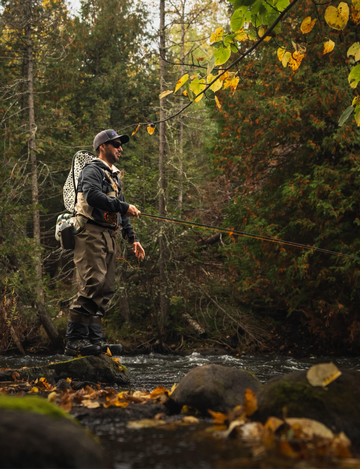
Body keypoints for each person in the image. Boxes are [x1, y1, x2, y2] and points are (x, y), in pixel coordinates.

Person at [64, 129, 145, 356]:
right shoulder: (92, 170)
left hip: (109, 236)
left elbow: (121, 210)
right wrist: (122, 207)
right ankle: (75, 342)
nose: (120, 148)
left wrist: (133, 239)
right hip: (90, 233)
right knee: (92, 283)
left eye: (121, 145)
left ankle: (94, 342)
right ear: (103, 147)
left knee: (106, 288)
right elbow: (92, 195)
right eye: (116, 144)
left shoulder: (115, 176)